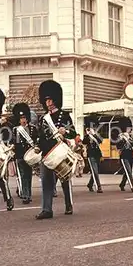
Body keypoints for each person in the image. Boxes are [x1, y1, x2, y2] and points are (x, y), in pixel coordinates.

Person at [35, 80, 76, 219]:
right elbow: (40, 136)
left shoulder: (64, 115)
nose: (48, 103)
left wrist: (65, 131)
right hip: (47, 154)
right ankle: (47, 209)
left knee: (65, 179)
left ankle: (68, 204)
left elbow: (73, 132)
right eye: (46, 100)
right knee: (46, 182)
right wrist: (37, 147)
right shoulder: (42, 118)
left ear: (56, 100)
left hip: (60, 151)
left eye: (51, 99)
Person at [11, 102, 39, 204]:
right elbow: (15, 142)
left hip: (30, 155)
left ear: (27, 118)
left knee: (28, 176)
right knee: (23, 175)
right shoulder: (15, 130)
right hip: (20, 155)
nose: (23, 120)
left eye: (24, 118)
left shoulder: (33, 128)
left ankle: (28, 194)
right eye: (21, 118)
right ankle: (25, 195)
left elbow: (36, 140)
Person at [82, 116, 103, 193]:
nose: (94, 128)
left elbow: (101, 141)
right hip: (90, 154)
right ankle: (98, 187)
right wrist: (88, 134)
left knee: (96, 171)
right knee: (95, 171)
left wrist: (94, 134)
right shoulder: (87, 136)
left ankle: (90, 184)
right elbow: (84, 142)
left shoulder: (96, 134)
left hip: (97, 154)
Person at [116, 116, 133, 193]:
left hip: (131, 155)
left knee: (129, 171)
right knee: (128, 171)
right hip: (124, 155)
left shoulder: (130, 136)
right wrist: (124, 139)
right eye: (128, 127)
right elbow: (118, 146)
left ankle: (122, 184)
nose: (130, 129)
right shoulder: (120, 137)